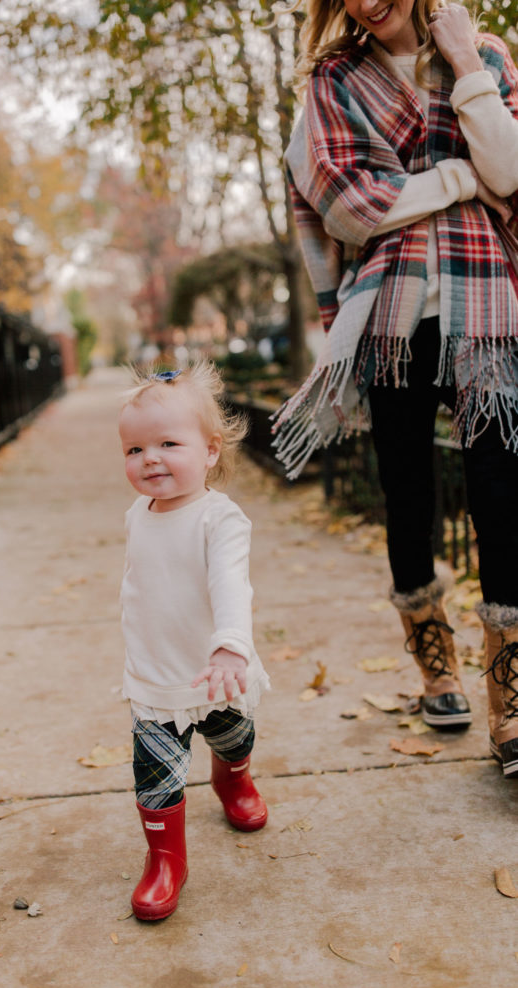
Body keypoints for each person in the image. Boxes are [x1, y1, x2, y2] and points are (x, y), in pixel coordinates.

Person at [273, 2, 518, 771]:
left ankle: (510, 693)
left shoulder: (484, 55)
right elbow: (346, 207)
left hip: (488, 311)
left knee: (501, 497)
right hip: (390, 317)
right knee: (407, 492)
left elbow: (510, 173)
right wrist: (458, 176)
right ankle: (434, 662)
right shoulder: (334, 80)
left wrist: (465, 62)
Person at [118, 362, 270, 920]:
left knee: (233, 739)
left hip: (215, 673)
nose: (149, 458)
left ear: (209, 451)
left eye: (167, 444)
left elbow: (231, 584)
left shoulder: (219, 520)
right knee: (154, 776)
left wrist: (231, 644)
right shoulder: (137, 514)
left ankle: (234, 780)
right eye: (134, 449)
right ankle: (165, 860)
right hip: (156, 678)